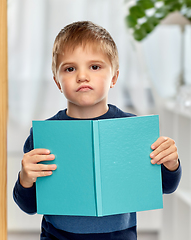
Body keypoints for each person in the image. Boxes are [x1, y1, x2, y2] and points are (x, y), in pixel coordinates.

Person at [13, 21, 182, 240]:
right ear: (57, 81)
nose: (82, 76)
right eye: (70, 68)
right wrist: (25, 178)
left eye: (95, 66)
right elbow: (28, 205)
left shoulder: (132, 130)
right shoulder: (44, 135)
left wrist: (171, 163)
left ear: (114, 77)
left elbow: (167, 187)